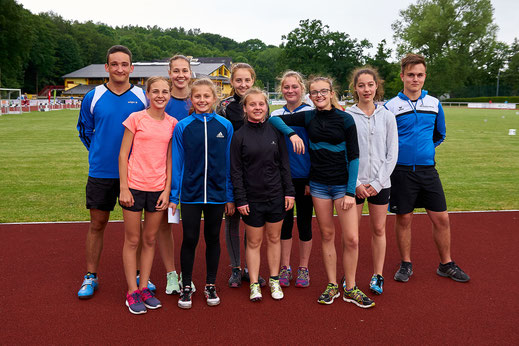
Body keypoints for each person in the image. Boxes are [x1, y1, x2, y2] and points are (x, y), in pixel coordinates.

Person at [269, 76, 375, 308]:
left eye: (323, 91)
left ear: (331, 92)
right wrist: (292, 133)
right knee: (327, 236)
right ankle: (331, 285)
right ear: (310, 95)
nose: (319, 95)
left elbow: (355, 156)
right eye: (314, 92)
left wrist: (349, 192)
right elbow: (275, 120)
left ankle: (351, 287)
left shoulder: (345, 119)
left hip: (342, 187)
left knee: (352, 239)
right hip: (318, 185)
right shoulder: (308, 116)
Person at [384, 53, 470, 283]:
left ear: (424, 77)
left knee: (441, 219)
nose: (415, 79)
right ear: (402, 76)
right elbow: (385, 140)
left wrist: (425, 150)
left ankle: (446, 264)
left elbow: (440, 133)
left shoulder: (434, 103)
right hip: (401, 172)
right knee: (404, 219)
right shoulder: (391, 106)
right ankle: (406, 264)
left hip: (428, 171)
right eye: (410, 75)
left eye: (420, 75)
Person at [76, 45, 147, 299]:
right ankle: (91, 276)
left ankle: (140, 275)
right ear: (106, 67)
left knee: (135, 229)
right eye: (114, 64)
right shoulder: (93, 96)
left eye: (124, 64)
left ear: (131, 68)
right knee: (98, 223)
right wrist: (100, 151)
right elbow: (85, 130)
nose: (119, 69)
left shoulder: (142, 96)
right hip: (101, 171)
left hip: (135, 173)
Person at [169, 78, 235, 309]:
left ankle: (210, 284)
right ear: (191, 98)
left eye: (206, 96)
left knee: (213, 239)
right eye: (197, 96)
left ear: (214, 98)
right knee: (189, 239)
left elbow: (229, 163)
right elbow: (177, 162)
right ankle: (186, 285)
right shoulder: (183, 126)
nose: (202, 100)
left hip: (217, 195)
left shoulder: (225, 126)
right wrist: (173, 196)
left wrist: (229, 195)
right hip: (190, 194)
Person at [119, 76, 177, 314]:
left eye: (165, 91)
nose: (160, 95)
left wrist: (166, 189)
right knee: (133, 240)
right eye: (155, 91)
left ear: (170, 94)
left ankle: (144, 287)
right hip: (134, 186)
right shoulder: (136, 118)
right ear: (147, 94)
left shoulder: (172, 123)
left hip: (157, 189)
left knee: (150, 239)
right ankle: (132, 291)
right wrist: (124, 187)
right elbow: (123, 155)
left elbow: (170, 159)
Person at [231, 88, 295, 302]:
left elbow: (284, 165)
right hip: (251, 200)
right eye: (252, 104)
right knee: (254, 242)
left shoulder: (276, 132)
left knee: (275, 238)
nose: (257, 108)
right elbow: (236, 170)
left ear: (267, 107)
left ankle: (274, 279)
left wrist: (289, 193)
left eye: (261, 104)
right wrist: (240, 199)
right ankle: (255, 283)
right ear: (245, 108)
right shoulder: (239, 135)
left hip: (276, 196)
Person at [347, 66, 398, 295]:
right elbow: (345, 153)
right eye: (361, 85)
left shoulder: (387, 115)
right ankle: (349, 274)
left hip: (381, 184)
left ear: (376, 86)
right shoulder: (347, 116)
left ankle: (378, 275)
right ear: (355, 88)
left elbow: (392, 153)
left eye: (370, 84)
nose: (366, 89)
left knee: (378, 229)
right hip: (354, 184)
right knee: (352, 235)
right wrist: (356, 182)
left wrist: (377, 183)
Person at [217, 63, 266, 288]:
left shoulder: (259, 104)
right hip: (230, 169)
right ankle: (236, 268)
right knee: (232, 219)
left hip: (254, 171)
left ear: (253, 80)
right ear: (232, 82)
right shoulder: (224, 107)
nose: (243, 84)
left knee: (252, 221)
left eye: (247, 80)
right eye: (238, 80)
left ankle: (250, 267)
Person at [152, 54, 193, 296]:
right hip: (166, 176)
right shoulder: (162, 102)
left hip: (195, 175)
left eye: (184, 70)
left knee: (190, 228)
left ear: (190, 73)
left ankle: (186, 274)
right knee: (167, 225)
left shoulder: (198, 98)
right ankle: (171, 274)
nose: (180, 75)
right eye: (175, 70)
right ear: (170, 73)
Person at [270, 71, 314, 288]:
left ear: (301, 88)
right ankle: (285, 267)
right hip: (282, 180)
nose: (290, 91)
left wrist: (310, 180)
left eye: (294, 87)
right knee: (284, 225)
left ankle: (303, 268)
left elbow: (316, 149)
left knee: (305, 223)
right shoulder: (276, 114)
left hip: (305, 177)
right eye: (286, 87)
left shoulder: (311, 112)